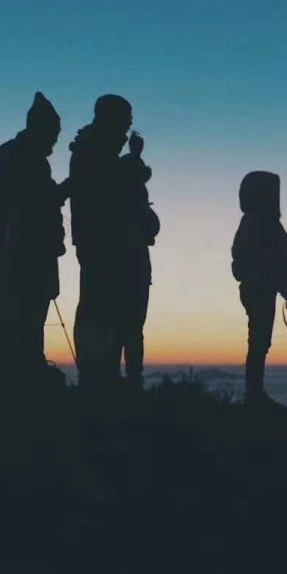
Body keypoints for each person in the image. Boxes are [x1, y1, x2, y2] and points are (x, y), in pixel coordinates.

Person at [0, 92, 70, 392]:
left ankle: (14, 384)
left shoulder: (20, 157)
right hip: (17, 261)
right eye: (53, 133)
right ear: (40, 128)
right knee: (17, 326)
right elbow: (33, 204)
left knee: (15, 328)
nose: (55, 141)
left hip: (12, 258)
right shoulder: (24, 159)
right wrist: (67, 189)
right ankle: (16, 389)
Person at [67, 94, 134, 390]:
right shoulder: (95, 152)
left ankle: (101, 372)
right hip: (100, 242)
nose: (129, 124)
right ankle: (97, 374)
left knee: (103, 307)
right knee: (98, 308)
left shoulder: (96, 149)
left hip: (100, 240)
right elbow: (104, 196)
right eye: (125, 118)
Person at [232, 171, 287, 407]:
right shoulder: (258, 222)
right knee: (259, 342)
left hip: (262, 286)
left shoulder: (262, 223)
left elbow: (273, 252)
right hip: (259, 287)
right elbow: (257, 255)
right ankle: (253, 394)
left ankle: (255, 392)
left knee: (260, 342)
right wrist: (283, 263)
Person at [115, 132, 160, 388]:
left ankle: (128, 378)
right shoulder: (131, 196)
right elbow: (151, 224)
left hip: (131, 267)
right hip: (132, 268)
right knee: (131, 327)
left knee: (127, 327)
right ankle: (132, 380)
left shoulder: (125, 193)